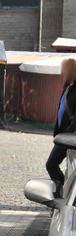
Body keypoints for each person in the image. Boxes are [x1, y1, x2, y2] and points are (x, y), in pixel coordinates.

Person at [46, 58, 76, 192]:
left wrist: (68, 140)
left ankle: (64, 193)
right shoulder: (67, 86)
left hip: (70, 137)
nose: (62, 73)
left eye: (65, 70)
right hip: (63, 136)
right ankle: (66, 193)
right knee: (69, 168)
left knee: (51, 164)